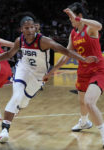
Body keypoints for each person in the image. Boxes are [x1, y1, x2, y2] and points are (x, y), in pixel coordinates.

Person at [0, 12, 97, 143]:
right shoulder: (20, 40)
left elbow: (66, 51)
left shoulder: (43, 41)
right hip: (23, 69)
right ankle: (4, 130)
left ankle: (17, 107)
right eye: (26, 28)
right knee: (16, 95)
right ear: (21, 29)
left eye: (31, 27)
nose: (29, 30)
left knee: (23, 102)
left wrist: (83, 59)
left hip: (39, 75)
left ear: (36, 27)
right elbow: (9, 54)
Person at [43, 2, 104, 148]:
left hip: (98, 70)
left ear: (79, 16)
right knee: (82, 102)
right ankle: (84, 122)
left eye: (72, 19)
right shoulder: (73, 33)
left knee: (89, 102)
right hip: (82, 71)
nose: (71, 22)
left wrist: (79, 20)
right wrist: (52, 71)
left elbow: (99, 25)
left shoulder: (90, 29)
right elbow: (66, 55)